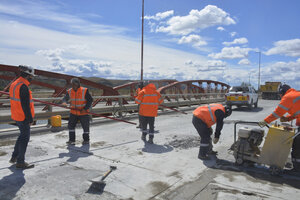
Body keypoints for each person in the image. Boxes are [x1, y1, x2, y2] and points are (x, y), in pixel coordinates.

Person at [259, 84, 300, 171]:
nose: (280, 96)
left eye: (280, 94)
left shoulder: (288, 97)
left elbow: (277, 113)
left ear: (282, 92)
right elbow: (297, 113)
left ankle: (297, 169)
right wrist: (287, 118)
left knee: (297, 145)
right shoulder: (294, 95)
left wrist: (266, 121)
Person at [9, 65, 36, 169]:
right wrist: (30, 119)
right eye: (31, 76)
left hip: (17, 115)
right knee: (24, 138)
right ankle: (20, 162)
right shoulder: (23, 86)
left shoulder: (15, 84)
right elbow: (25, 105)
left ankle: (14, 157)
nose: (32, 78)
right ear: (28, 75)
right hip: (23, 117)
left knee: (21, 136)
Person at [62, 78, 93, 145]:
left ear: (78, 84)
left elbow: (90, 100)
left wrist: (85, 108)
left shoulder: (84, 90)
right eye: (72, 84)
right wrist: (64, 102)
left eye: (75, 84)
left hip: (83, 112)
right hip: (73, 112)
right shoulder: (69, 91)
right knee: (71, 126)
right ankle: (72, 140)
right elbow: (65, 98)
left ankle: (86, 140)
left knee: (85, 127)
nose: (73, 86)